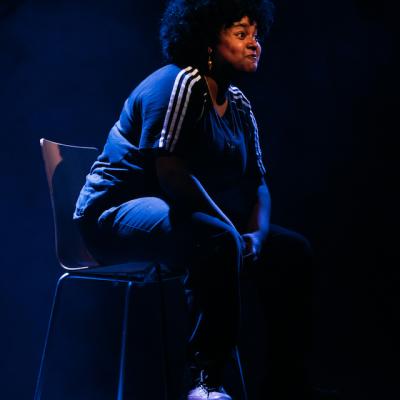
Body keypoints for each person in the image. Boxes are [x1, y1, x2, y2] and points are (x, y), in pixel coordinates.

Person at [74, 1, 314, 399]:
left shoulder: (238, 105)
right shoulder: (181, 84)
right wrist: (228, 229)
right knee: (216, 238)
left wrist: (255, 234)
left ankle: (288, 382)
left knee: (291, 251)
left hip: (175, 213)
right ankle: (206, 382)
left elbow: (257, 184)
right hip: (112, 215)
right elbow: (171, 172)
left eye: (256, 35)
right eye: (241, 34)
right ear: (207, 41)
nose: (254, 44)